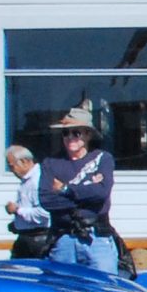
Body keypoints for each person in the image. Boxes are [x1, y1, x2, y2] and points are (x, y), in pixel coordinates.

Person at [40, 109, 119, 274]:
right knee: (62, 290)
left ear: (88, 135)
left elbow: (102, 194)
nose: (70, 138)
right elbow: (46, 200)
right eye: (65, 133)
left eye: (76, 133)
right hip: (63, 238)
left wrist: (65, 189)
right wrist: (87, 194)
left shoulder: (103, 159)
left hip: (97, 237)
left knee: (104, 288)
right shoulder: (50, 163)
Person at [3, 144, 53, 259]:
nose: (11, 171)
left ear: (25, 161)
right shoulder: (27, 181)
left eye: (12, 166)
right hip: (26, 238)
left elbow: (43, 214)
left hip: (38, 240)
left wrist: (17, 210)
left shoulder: (37, 181)